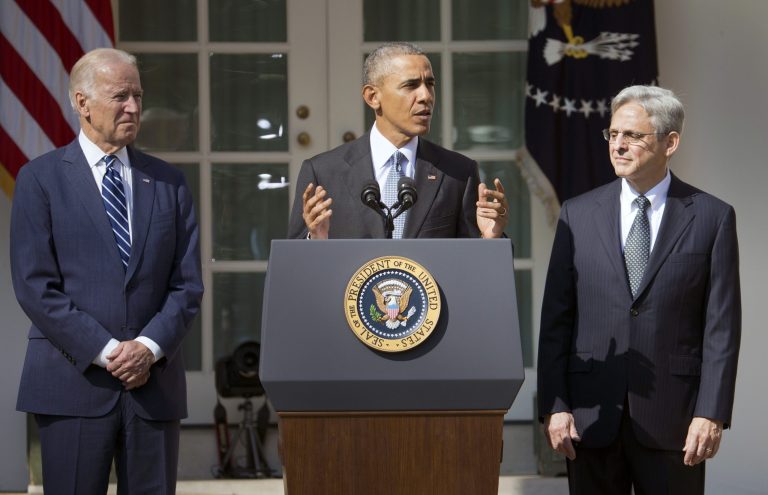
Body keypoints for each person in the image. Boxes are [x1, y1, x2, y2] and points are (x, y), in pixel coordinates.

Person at [10, 48, 203, 494]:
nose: (134, 107)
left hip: (153, 388)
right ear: (82, 103)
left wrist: (148, 348)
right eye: (120, 96)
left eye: (137, 95)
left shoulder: (170, 183)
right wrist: (108, 350)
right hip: (73, 385)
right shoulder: (40, 180)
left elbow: (186, 285)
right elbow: (36, 286)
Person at [537, 85, 740, 494]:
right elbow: (556, 321)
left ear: (670, 142)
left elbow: (721, 327)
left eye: (633, 136)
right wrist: (554, 406)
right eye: (613, 134)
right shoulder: (577, 214)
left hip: (676, 421)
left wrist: (711, 413)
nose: (619, 145)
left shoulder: (712, 218)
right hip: (591, 418)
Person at [288, 42, 509, 239]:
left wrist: (490, 239)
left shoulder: (458, 172)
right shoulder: (323, 172)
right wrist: (315, 240)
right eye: (411, 85)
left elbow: (476, 270)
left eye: (430, 84)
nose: (426, 96)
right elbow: (295, 269)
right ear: (373, 97)